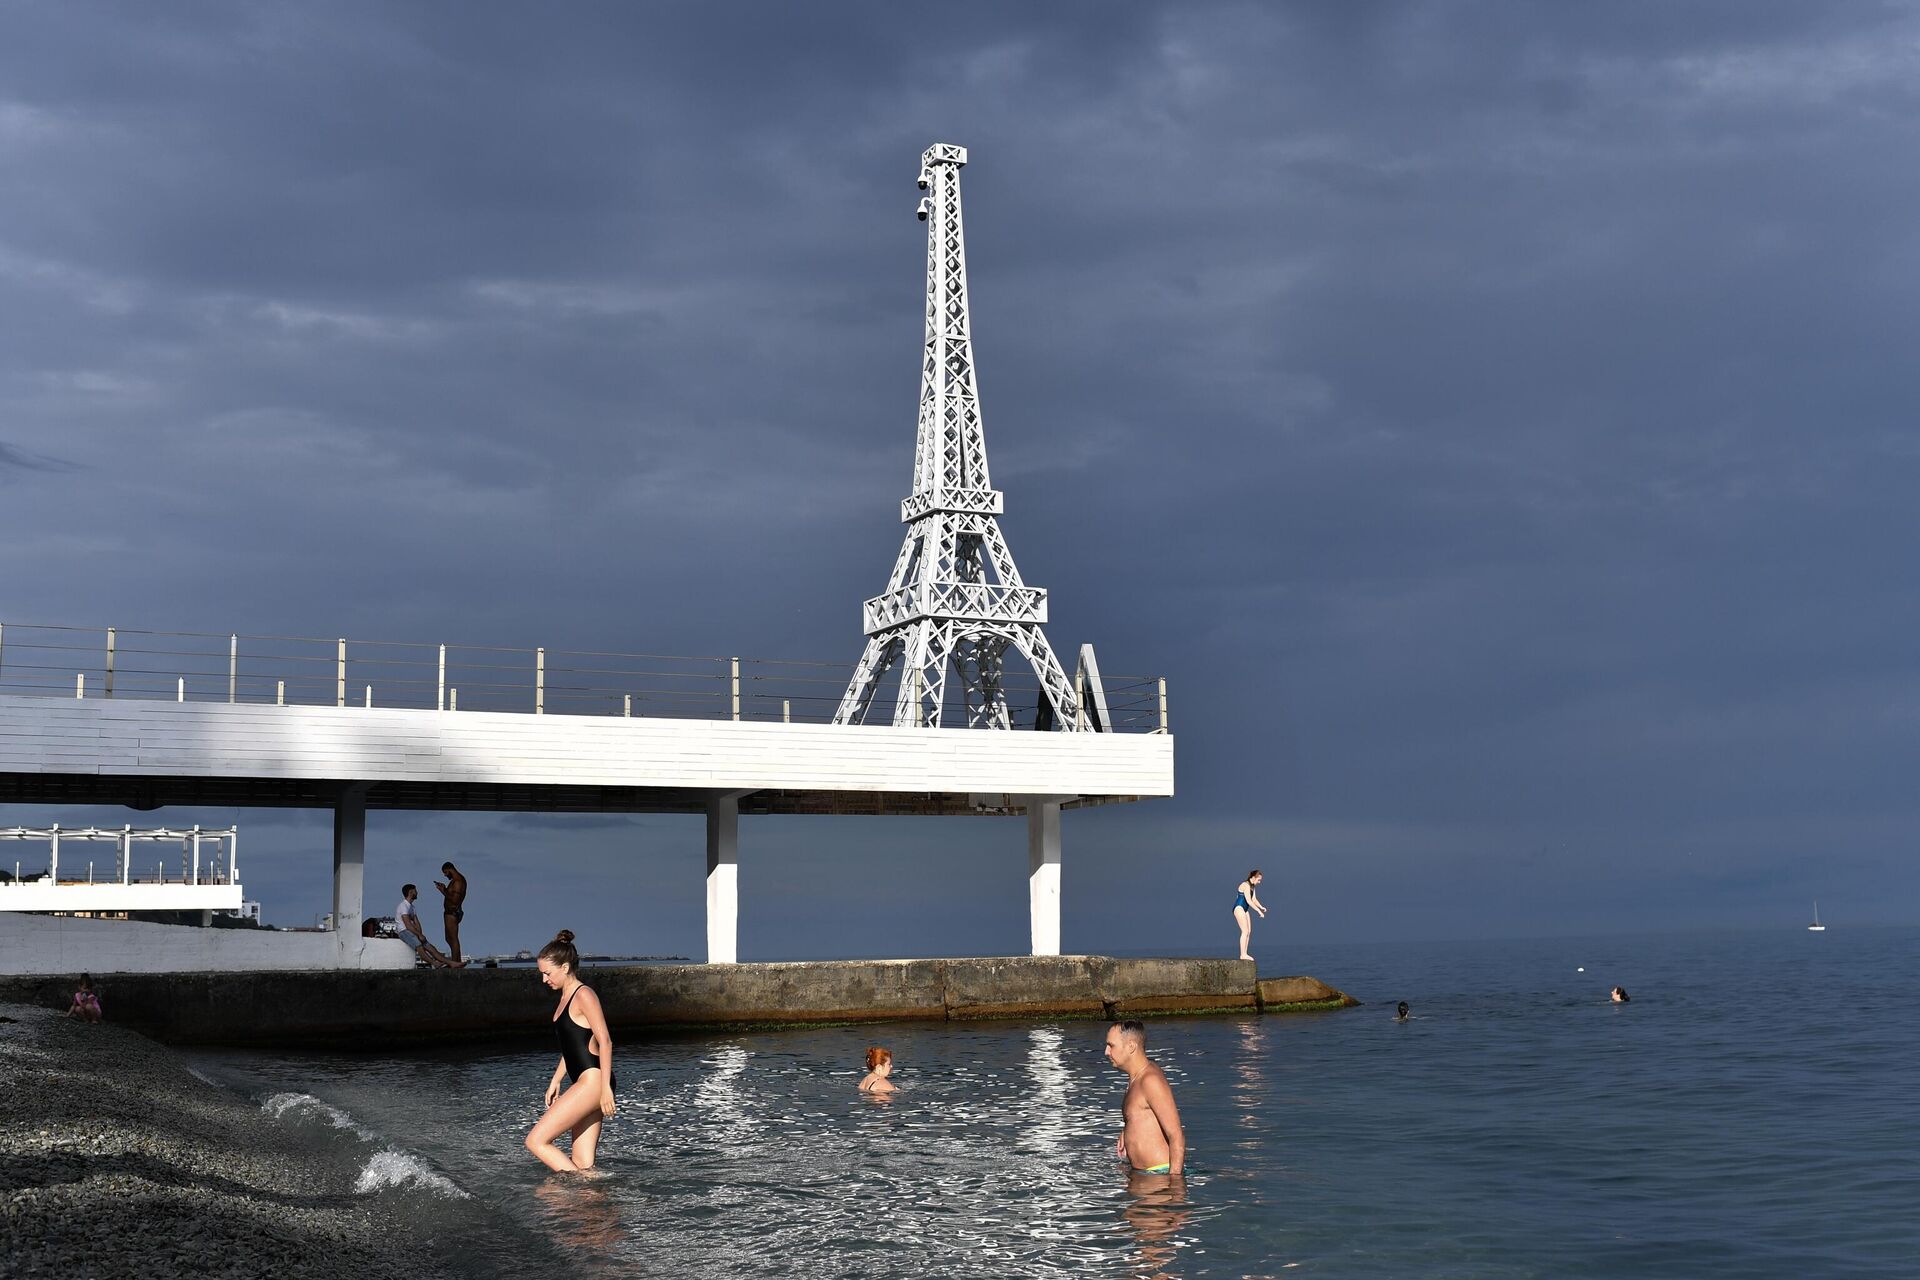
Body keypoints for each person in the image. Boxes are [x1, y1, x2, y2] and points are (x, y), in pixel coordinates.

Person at [526, 929, 617, 1173]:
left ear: (565, 967)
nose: (544, 980)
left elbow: (605, 1041)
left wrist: (606, 1088)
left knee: (536, 1141)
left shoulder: (584, 995)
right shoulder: (565, 996)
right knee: (583, 1164)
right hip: (585, 1081)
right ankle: (594, 1205)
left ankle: (582, 1186)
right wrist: (556, 1080)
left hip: (594, 1081)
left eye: (547, 973)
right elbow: (572, 1046)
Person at [1104, 1020, 1185, 1178]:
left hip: (1159, 1177)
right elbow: (1143, 1114)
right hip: (1143, 1175)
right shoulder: (1135, 1078)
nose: (1106, 1052)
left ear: (1131, 1046)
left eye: (1111, 1045)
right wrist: (1127, 1130)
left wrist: (1175, 1185)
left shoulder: (1150, 1080)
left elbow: (1176, 1135)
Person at [395, 884, 462, 968]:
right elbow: (408, 925)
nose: (417, 892)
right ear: (411, 892)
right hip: (404, 931)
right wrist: (419, 935)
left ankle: (451, 963)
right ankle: (434, 963)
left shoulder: (412, 907)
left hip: (412, 931)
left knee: (430, 947)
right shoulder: (403, 906)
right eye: (415, 891)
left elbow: (416, 922)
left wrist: (420, 934)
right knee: (420, 947)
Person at [434, 861, 468, 963]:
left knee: (453, 939)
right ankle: (456, 961)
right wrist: (444, 889)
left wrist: (443, 890)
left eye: (445, 873)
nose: (445, 875)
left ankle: (456, 962)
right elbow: (452, 896)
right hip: (450, 912)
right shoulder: (455, 881)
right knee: (449, 938)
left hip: (452, 912)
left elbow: (454, 900)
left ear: (449, 869)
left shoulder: (458, 881)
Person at [1232, 870, 1268, 961]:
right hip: (1239, 908)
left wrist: (1261, 907)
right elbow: (1248, 901)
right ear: (1253, 877)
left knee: (1249, 931)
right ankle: (1242, 954)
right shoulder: (1245, 885)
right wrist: (1259, 912)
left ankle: (1245, 953)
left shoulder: (1252, 887)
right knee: (1244, 931)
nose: (1259, 882)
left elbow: (1254, 899)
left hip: (1245, 909)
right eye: (1258, 880)